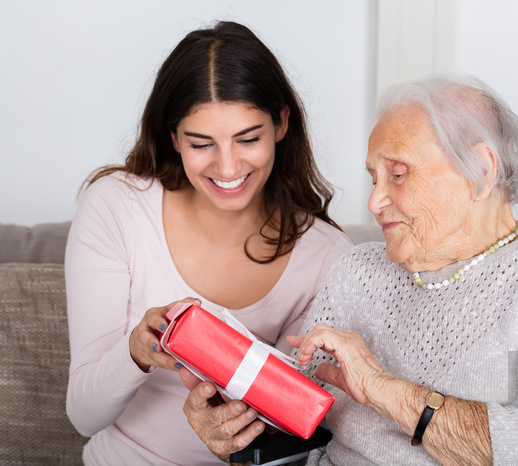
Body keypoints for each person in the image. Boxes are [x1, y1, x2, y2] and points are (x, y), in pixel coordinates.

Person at [182, 75, 518, 465]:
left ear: (481, 170)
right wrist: (234, 431)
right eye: (373, 178)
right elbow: (298, 427)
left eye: (397, 174)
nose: (374, 201)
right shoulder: (357, 270)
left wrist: (380, 387)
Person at [64, 21, 352, 465]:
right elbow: (83, 416)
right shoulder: (116, 207)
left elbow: (310, 426)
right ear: (174, 137)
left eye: (248, 139)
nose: (228, 166)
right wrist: (135, 353)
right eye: (202, 143)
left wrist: (238, 424)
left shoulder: (326, 255)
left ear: (281, 124)